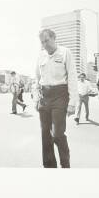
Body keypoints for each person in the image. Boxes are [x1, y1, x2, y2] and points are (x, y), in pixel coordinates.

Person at [35, 29, 78, 168]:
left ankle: (65, 163)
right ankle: (49, 167)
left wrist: (72, 103)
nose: (44, 44)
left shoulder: (65, 52)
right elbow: (36, 79)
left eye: (47, 40)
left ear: (54, 38)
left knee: (58, 133)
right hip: (44, 96)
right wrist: (36, 98)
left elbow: (72, 77)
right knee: (45, 134)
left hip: (60, 95)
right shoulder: (40, 56)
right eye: (42, 42)